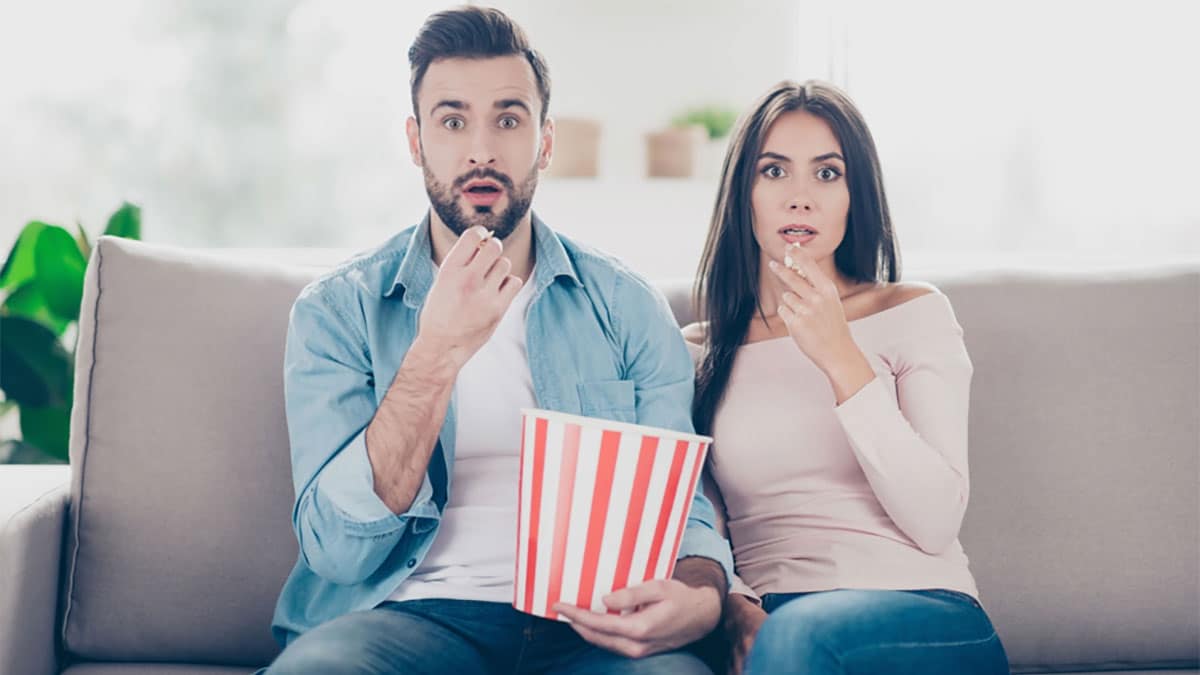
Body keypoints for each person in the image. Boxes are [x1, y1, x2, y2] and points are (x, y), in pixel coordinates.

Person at [264, 7, 732, 674]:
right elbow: (337, 550)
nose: (481, 149)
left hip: (591, 627)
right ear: (416, 140)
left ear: (545, 141)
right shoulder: (337, 312)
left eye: (508, 119)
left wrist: (702, 594)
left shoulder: (628, 308)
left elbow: (682, 513)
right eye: (452, 121)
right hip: (404, 616)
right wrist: (435, 354)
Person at [682, 80, 1010, 675]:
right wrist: (734, 607)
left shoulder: (912, 311)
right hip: (772, 615)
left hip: (918, 608)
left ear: (854, 195)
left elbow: (936, 521)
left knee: (799, 639)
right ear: (743, 194)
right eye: (774, 172)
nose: (800, 198)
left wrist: (840, 358)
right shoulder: (697, 352)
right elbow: (702, 530)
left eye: (827, 174)